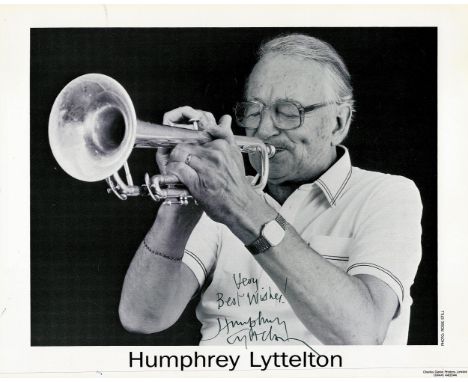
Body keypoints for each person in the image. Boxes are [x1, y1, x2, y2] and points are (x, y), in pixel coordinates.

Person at [118, 33, 423, 346]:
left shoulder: (388, 195)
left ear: (338, 123)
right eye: (253, 110)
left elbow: (363, 332)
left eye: (288, 112)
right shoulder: (221, 196)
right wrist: (181, 202)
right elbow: (143, 317)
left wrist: (242, 204)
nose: (263, 130)